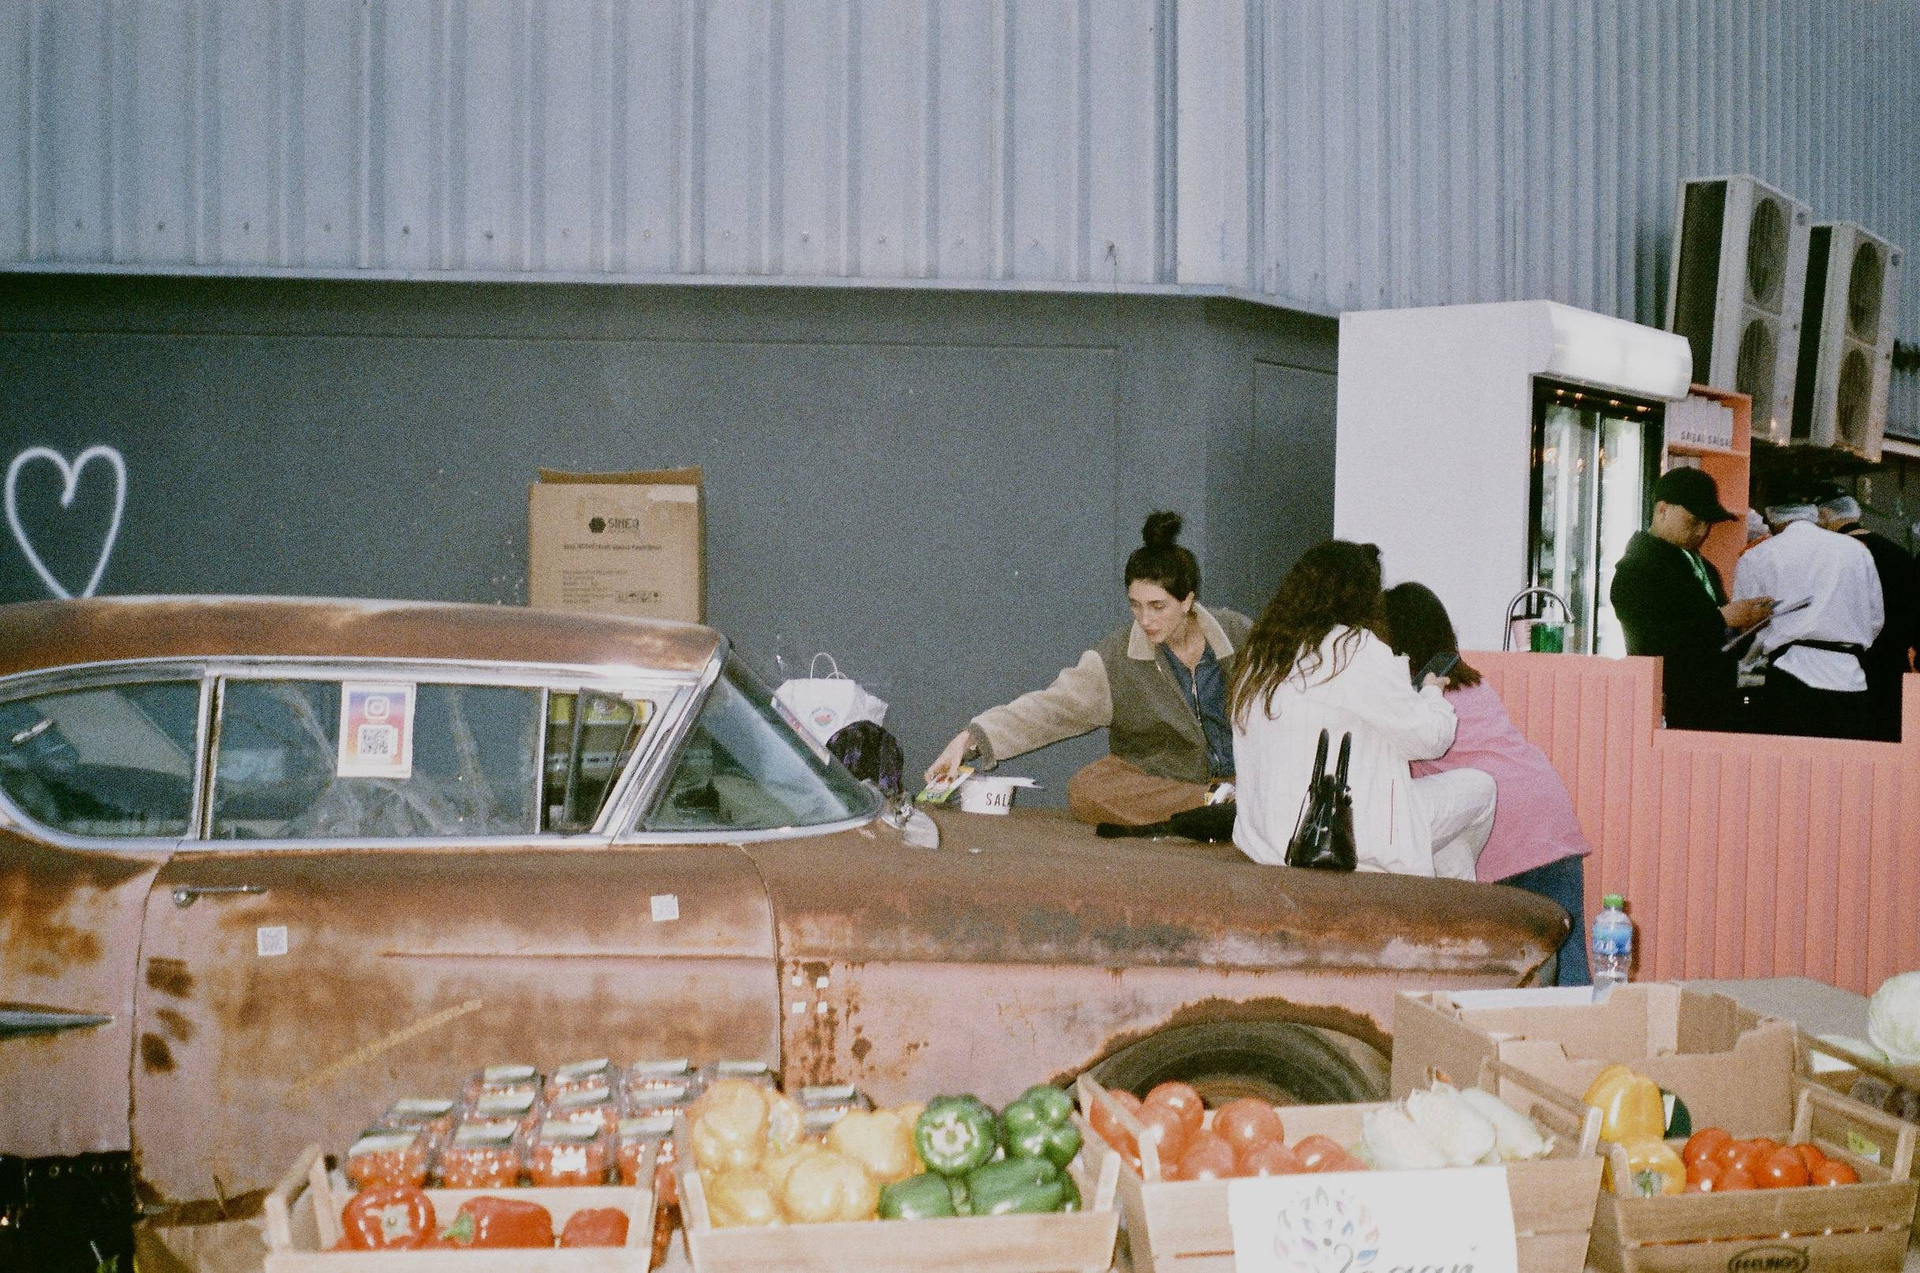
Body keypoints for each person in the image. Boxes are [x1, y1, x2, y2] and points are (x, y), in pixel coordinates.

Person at [924, 512, 1251, 825]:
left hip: (1245, 773)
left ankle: (1228, 804)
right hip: (1163, 781)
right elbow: (1051, 710)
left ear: (1187, 600)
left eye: (1157, 606)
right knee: (1088, 788)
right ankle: (1216, 804)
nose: (1145, 619)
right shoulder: (1115, 658)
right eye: (1135, 605)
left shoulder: (1240, 635)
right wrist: (970, 739)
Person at [1228, 540, 1494, 879]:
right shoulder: (1352, 648)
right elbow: (1430, 740)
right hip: (1344, 838)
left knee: (1447, 840)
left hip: (1267, 843)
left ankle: (1446, 905)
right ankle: (1452, 905)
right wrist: (1431, 693)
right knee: (1482, 788)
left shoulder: (1260, 653)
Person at [1382, 582, 1593, 985]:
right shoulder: (1472, 681)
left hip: (1505, 831)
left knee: (1507, 977)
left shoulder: (1419, 702)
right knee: (1569, 968)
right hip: (1549, 815)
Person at [1610, 467, 1774, 731]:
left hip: (1713, 704)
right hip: (1673, 707)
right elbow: (1649, 642)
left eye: (1708, 523)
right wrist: (1722, 619)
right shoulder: (1636, 568)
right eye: (1694, 521)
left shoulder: (1703, 566)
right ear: (1662, 510)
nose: (1702, 531)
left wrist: (1744, 629)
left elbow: (1712, 638)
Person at [1734, 503, 1883, 741]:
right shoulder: (1857, 550)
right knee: (1845, 761)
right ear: (1816, 514)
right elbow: (1875, 619)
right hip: (1851, 677)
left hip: (1790, 675)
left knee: (1792, 761)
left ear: (1771, 519)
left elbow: (1746, 623)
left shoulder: (1759, 554)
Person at [1818, 494, 1916, 741]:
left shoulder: (1833, 555)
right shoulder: (1897, 553)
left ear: (1825, 515)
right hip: (1893, 663)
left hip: (1845, 666)